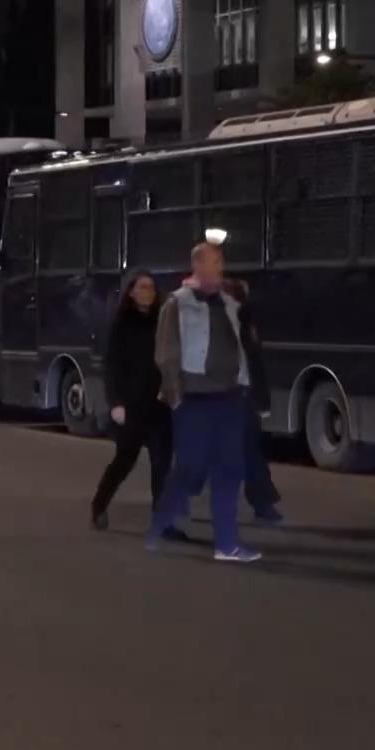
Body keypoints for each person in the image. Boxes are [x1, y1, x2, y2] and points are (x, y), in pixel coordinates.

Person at [152, 241, 263, 563]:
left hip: (229, 395)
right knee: (191, 467)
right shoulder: (178, 303)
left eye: (220, 262)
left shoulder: (229, 303)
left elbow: (242, 344)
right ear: (198, 265)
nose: (219, 268)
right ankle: (164, 519)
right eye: (214, 262)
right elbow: (166, 353)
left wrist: (245, 383)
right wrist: (176, 397)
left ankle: (226, 544)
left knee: (229, 470)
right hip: (194, 399)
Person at [89, 271, 189, 540]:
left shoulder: (162, 321)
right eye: (142, 287)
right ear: (131, 292)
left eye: (151, 288)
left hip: (159, 403)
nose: (148, 292)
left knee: (162, 464)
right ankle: (99, 505)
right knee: (124, 460)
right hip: (132, 405)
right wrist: (116, 403)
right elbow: (112, 367)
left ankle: (162, 520)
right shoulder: (122, 324)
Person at [225, 277, 283, 523]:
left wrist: (262, 399)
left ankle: (262, 502)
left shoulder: (246, 325)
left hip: (243, 394)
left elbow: (255, 364)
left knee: (251, 451)